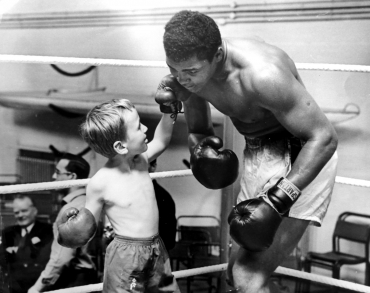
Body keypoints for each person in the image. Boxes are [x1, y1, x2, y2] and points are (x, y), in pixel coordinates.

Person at [155, 10, 338, 293]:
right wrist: (201, 153)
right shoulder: (190, 72)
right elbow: (200, 130)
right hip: (257, 152)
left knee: (247, 276)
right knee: (235, 273)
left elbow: (324, 138)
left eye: (190, 71)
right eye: (173, 69)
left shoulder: (263, 76)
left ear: (217, 55)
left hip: (304, 156)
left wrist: (277, 200)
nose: (181, 79)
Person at [57, 99, 180, 293]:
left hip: (156, 247)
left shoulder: (141, 160)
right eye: (139, 127)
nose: (146, 128)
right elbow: (86, 228)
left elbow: (162, 140)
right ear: (121, 146)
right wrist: (68, 232)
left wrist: (169, 113)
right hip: (127, 256)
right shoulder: (101, 182)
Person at [28, 153, 97, 293]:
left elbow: (62, 257)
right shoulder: (90, 202)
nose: (54, 177)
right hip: (88, 277)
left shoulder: (71, 208)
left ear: (72, 177)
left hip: (74, 279)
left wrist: (36, 288)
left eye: (58, 172)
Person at [0, 195, 53, 293]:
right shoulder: (7, 233)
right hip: (11, 288)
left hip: (37, 287)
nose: (20, 215)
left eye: (24, 211)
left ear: (35, 211)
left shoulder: (48, 231)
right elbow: (2, 258)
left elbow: (43, 259)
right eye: (16, 212)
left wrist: (16, 252)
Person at [149, 159, 177, 252]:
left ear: (153, 167)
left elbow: (168, 239)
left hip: (153, 254)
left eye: (140, 163)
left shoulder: (162, 196)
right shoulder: (132, 192)